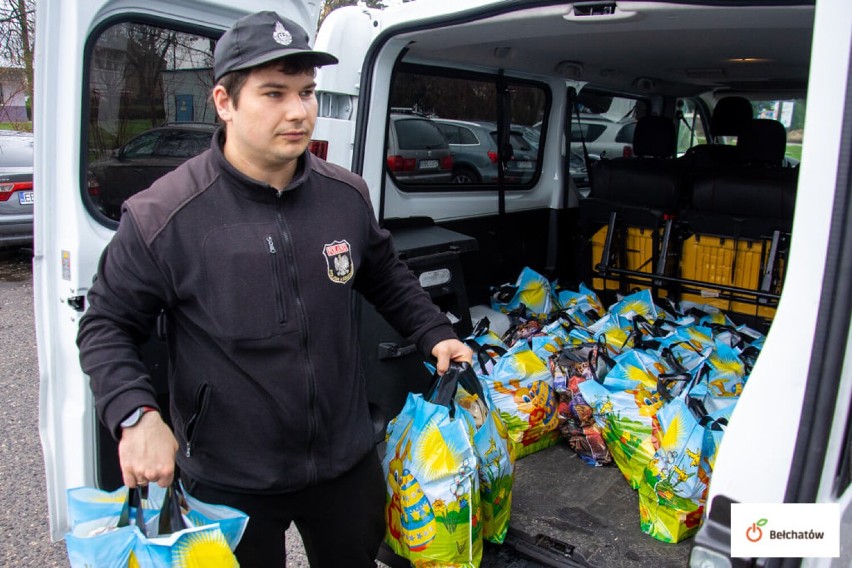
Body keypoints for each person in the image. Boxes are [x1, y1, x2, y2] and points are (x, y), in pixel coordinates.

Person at [76, 10, 473, 567]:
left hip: (344, 460)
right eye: (273, 93)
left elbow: (385, 274)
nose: (298, 111)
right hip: (229, 477)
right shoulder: (164, 215)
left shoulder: (346, 195)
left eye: (307, 92)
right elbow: (106, 325)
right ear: (224, 102)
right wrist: (136, 416)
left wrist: (436, 332)